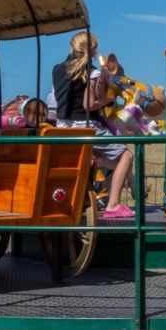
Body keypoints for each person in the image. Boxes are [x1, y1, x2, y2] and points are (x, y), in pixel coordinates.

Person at [52, 31, 135, 219]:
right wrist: (106, 100)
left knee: (87, 159)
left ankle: (92, 169)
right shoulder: (92, 72)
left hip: (61, 126)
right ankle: (113, 204)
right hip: (84, 125)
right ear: (93, 50)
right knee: (127, 156)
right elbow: (88, 105)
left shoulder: (57, 69)